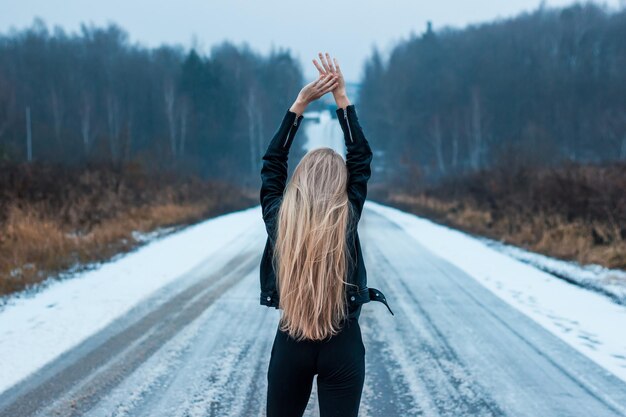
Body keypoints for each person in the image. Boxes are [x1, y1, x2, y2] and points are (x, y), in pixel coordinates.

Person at [259, 52, 394, 417]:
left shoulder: (279, 219)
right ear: (340, 185)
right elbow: (360, 157)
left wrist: (299, 105)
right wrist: (342, 99)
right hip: (342, 344)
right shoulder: (345, 216)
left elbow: (273, 165)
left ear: (298, 183)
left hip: (292, 341)